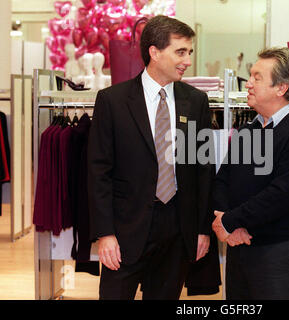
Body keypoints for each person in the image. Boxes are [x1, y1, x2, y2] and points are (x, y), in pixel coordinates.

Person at [88, 15, 214, 300]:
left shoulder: (196, 101)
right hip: (125, 231)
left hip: (178, 231)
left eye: (189, 52)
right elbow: (98, 172)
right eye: (180, 52)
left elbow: (203, 170)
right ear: (154, 52)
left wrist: (202, 229)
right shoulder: (112, 100)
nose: (187, 60)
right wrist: (105, 233)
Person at [212, 47, 289, 300]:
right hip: (239, 247)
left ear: (281, 88)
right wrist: (229, 223)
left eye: (257, 77)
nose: (249, 83)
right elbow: (223, 178)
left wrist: (229, 222)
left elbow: (281, 195)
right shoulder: (248, 129)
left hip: (279, 254)